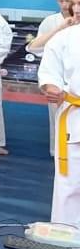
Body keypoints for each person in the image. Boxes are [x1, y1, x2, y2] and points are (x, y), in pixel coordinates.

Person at [38, 23, 80, 226]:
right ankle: (65, 232)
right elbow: (49, 71)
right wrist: (50, 85)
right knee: (69, 181)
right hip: (74, 112)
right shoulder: (64, 38)